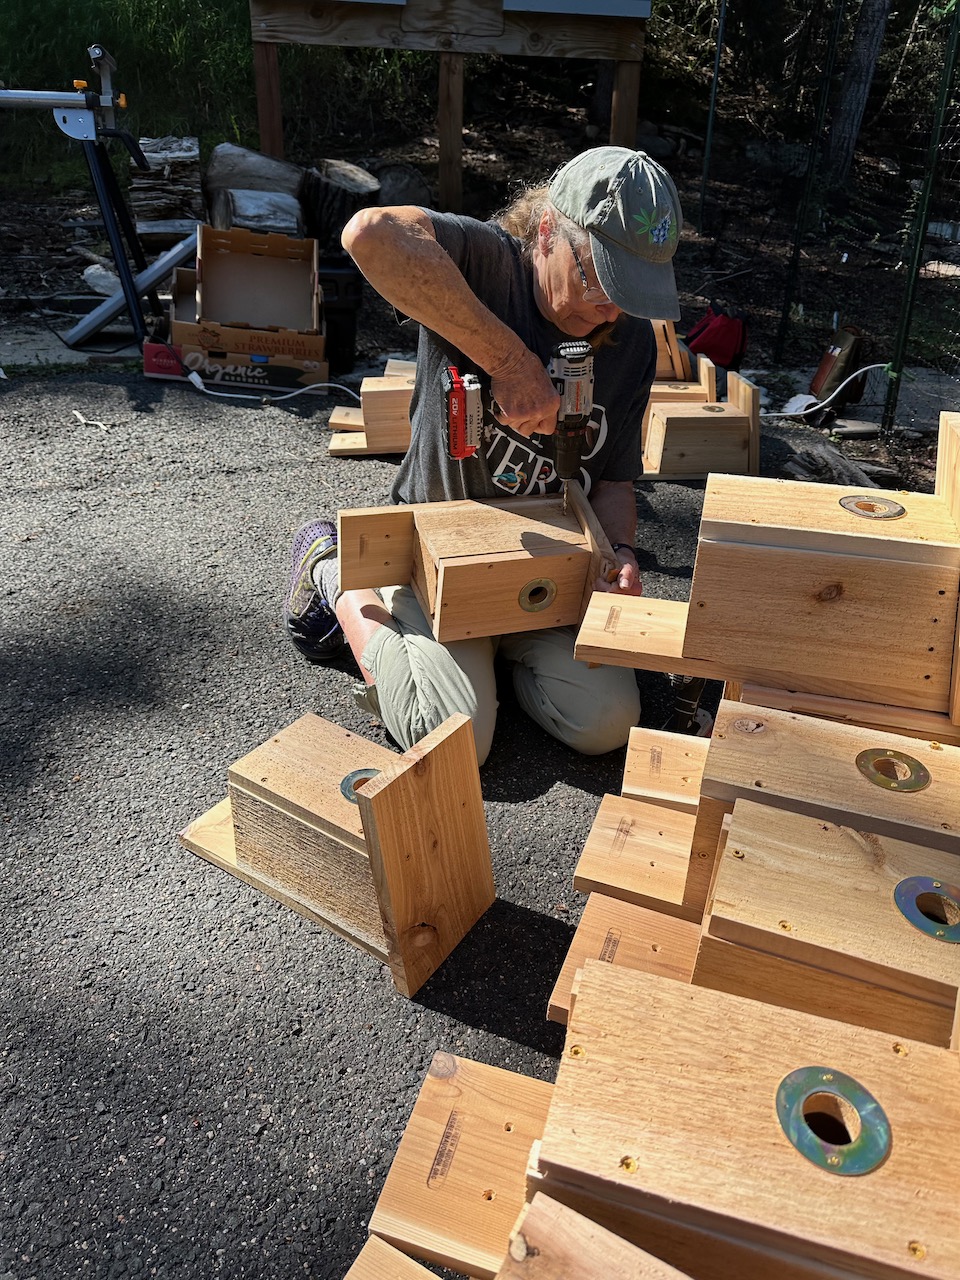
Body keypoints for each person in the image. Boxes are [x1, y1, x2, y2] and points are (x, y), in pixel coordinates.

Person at [283, 146, 683, 765]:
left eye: (628, 290)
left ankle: (489, 666)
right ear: (548, 232)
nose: (610, 308)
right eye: (598, 278)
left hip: (546, 574)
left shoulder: (630, 343)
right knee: (455, 742)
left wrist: (622, 554)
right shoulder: (485, 264)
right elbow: (369, 234)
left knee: (605, 723)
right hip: (437, 556)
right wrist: (511, 362)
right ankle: (335, 574)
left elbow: (612, 483)